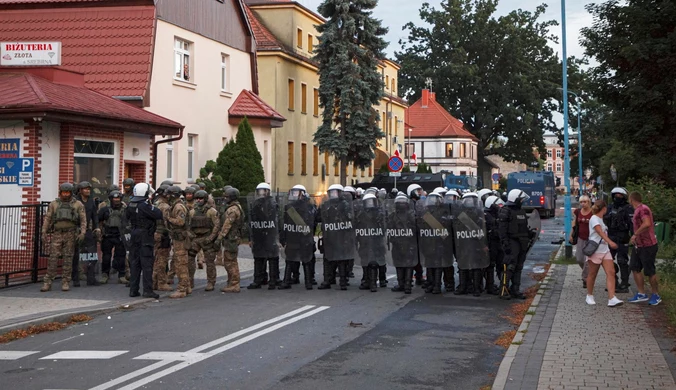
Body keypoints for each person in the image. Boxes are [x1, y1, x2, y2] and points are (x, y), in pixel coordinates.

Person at [40, 183, 87, 292]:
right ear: (60, 192)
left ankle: (66, 281)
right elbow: (47, 218)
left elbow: (83, 220)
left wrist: (83, 233)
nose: (65, 195)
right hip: (57, 233)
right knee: (53, 258)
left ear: (71, 193)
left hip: (71, 234)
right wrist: (44, 232)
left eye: (67, 192)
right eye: (63, 192)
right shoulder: (54, 204)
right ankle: (48, 282)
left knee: (68, 259)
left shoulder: (78, 204)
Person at [126, 183, 162, 299]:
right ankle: (147, 290)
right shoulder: (144, 206)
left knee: (135, 264)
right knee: (146, 264)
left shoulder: (130, 204)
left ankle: (133, 290)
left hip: (134, 234)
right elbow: (158, 214)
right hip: (145, 236)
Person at [584, 200, 623, 307]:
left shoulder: (601, 219)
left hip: (605, 250)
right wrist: (610, 242)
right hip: (595, 250)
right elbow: (599, 232)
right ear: (604, 209)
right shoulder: (594, 218)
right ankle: (589, 295)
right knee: (592, 274)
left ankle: (612, 298)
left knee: (611, 272)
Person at [627, 192, 661, 305]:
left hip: (648, 245)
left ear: (631, 199)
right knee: (635, 267)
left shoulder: (643, 209)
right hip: (639, 245)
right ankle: (641, 293)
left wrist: (635, 234)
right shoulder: (637, 210)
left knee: (650, 271)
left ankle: (656, 294)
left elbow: (647, 223)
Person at [498, 189, 532, 300]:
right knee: (509, 267)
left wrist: (530, 233)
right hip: (512, 242)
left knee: (519, 267)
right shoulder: (505, 211)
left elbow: (523, 227)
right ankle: (504, 290)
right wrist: (505, 244)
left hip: (521, 242)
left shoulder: (521, 211)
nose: (522, 201)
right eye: (521, 199)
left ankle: (515, 289)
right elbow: (502, 230)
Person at [247, 183, 281, 290]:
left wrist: (279, 238)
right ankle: (258, 280)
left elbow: (278, 221)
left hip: (270, 235)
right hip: (258, 235)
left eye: (262, 191)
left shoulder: (273, 203)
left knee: (272, 257)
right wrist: (250, 238)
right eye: (259, 191)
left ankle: (273, 279)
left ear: (267, 191)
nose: (260, 193)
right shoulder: (255, 204)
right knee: (258, 258)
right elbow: (251, 222)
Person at [188, 190, 221, 291]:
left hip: (207, 238)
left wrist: (211, 238)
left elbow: (217, 226)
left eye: (201, 198)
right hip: (196, 238)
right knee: (189, 259)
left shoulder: (211, 211)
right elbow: (188, 226)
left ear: (205, 199)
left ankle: (211, 282)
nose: (198, 200)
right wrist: (191, 235)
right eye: (197, 198)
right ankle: (190, 281)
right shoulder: (192, 211)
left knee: (210, 261)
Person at [604, 187, 634, 293]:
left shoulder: (628, 208)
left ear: (624, 196)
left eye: (620, 195)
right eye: (616, 195)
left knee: (622, 261)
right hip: (611, 237)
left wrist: (634, 236)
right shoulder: (609, 207)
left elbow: (632, 224)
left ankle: (624, 284)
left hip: (623, 237)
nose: (618, 197)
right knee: (608, 261)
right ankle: (613, 281)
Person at [215, 187, 244, 292]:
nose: (225, 198)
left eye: (227, 197)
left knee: (230, 262)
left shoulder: (233, 209)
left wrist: (219, 238)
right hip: (231, 238)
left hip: (231, 239)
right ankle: (231, 282)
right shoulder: (233, 207)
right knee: (230, 261)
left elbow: (227, 225)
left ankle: (234, 284)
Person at [164, 186, 191, 298]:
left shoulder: (179, 207)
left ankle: (182, 289)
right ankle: (187, 286)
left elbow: (180, 222)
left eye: (169, 194)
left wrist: (168, 218)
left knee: (181, 265)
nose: (167, 196)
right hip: (177, 238)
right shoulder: (175, 206)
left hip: (181, 239)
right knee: (180, 263)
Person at [73, 181, 101, 286]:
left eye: (89, 189)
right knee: (76, 255)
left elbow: (95, 216)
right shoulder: (75, 202)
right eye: (85, 189)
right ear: (80, 190)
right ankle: (76, 279)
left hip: (88, 231)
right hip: (76, 230)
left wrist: (97, 227)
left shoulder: (91, 201)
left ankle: (91, 278)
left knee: (92, 255)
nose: (88, 190)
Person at [98, 190, 128, 284]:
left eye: (118, 198)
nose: (116, 200)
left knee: (121, 257)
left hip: (120, 235)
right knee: (106, 257)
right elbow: (97, 220)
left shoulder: (125, 209)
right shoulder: (105, 209)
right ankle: (105, 275)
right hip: (108, 235)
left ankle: (122, 275)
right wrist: (99, 232)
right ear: (111, 199)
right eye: (114, 198)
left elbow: (130, 221)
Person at [152, 185, 173, 291]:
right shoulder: (164, 206)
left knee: (156, 259)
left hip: (156, 233)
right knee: (162, 260)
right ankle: (161, 283)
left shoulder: (155, 203)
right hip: (163, 234)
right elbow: (167, 222)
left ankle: (154, 282)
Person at [570, 195, 593, 288]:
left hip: (591, 239)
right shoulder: (578, 211)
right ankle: (588, 274)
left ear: (589, 202)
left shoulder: (593, 212)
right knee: (579, 258)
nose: (583, 204)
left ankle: (585, 279)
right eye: (581, 202)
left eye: (585, 202)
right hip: (580, 237)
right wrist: (571, 234)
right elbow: (574, 223)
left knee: (587, 260)